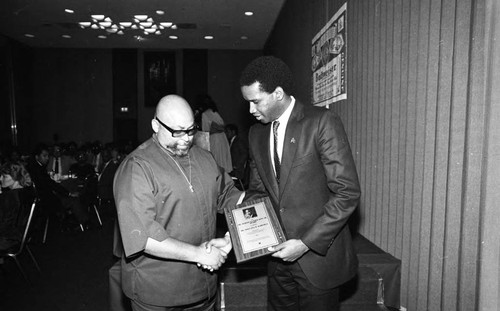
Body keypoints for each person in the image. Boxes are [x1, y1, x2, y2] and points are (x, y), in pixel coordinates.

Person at [239, 56, 361, 311]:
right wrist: (241, 235)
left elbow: (346, 193)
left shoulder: (321, 122)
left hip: (317, 259)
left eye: (255, 101)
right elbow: (258, 192)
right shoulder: (256, 134)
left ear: (278, 94)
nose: (251, 110)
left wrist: (305, 243)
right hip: (277, 261)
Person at [113, 94, 243, 311]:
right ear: (155, 125)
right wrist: (199, 254)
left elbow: (229, 195)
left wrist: (234, 236)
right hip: (158, 291)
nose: (186, 138)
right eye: (177, 131)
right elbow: (143, 237)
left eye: (191, 130)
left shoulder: (205, 158)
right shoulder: (137, 167)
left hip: (203, 287)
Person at [199, 94, 233, 173]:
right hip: (222, 138)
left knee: (216, 160)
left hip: (214, 139)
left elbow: (205, 130)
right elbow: (222, 125)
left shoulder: (205, 114)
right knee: (223, 159)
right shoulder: (215, 113)